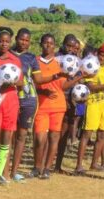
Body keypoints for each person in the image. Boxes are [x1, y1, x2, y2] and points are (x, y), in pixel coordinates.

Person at [32, 34, 84, 179]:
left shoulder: (59, 62)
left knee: (54, 138)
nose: (48, 46)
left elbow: (64, 85)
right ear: (41, 44)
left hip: (59, 106)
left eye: (51, 43)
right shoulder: (35, 61)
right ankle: (37, 167)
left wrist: (79, 76)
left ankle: (47, 169)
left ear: (55, 45)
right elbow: (33, 83)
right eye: (45, 43)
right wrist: (42, 90)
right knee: (39, 138)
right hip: (41, 106)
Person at [75, 42, 104, 174]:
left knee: (103, 134)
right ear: (97, 54)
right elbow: (91, 87)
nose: (102, 58)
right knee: (87, 134)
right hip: (93, 104)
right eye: (101, 54)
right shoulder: (91, 66)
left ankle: (94, 163)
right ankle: (79, 165)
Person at [0, 26, 23, 185]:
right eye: (1, 41)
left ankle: (0, 174)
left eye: (7, 41)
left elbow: (22, 82)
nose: (4, 44)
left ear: (10, 43)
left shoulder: (15, 60)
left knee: (6, 139)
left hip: (10, 101)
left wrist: (12, 81)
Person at [10, 28, 40, 182]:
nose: (24, 42)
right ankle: (1, 171)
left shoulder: (31, 58)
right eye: (22, 39)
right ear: (16, 38)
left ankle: (14, 171)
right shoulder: (7, 54)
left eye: (27, 40)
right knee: (8, 135)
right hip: (9, 98)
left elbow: (38, 79)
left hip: (28, 100)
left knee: (21, 135)